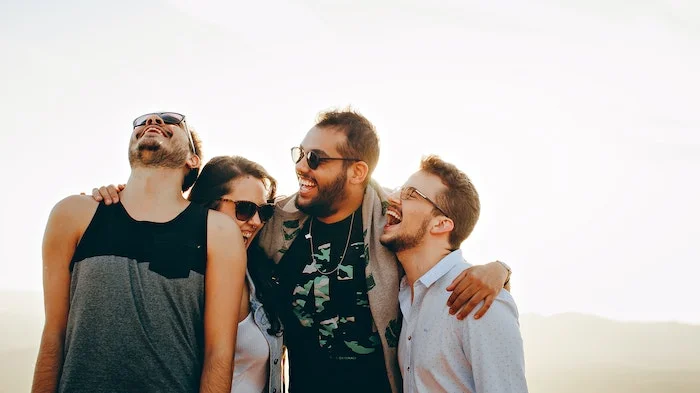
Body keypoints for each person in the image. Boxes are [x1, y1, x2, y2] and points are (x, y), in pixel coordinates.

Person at [257, 109, 513, 393]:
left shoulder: (390, 221)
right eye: (300, 154)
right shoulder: (275, 223)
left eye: (315, 158)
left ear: (357, 171)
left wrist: (499, 269)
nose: (302, 167)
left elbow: (438, 247)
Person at [32, 112, 247, 393]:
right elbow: (53, 334)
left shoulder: (217, 232)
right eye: (143, 121)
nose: (154, 121)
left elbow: (218, 353)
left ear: (192, 160)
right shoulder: (73, 214)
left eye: (171, 120)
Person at [381, 155, 528, 393]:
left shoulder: (481, 299)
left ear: (441, 224)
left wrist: (502, 269)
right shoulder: (405, 292)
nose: (392, 198)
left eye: (409, 194)